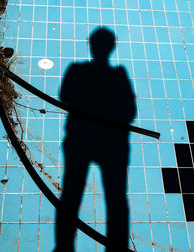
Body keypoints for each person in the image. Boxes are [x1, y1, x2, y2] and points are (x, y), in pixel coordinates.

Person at [54, 27, 136, 251]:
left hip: (87, 137)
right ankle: (113, 245)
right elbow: (129, 111)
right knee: (114, 197)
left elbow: (66, 96)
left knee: (76, 192)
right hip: (107, 141)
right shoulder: (117, 75)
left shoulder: (80, 71)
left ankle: (64, 246)